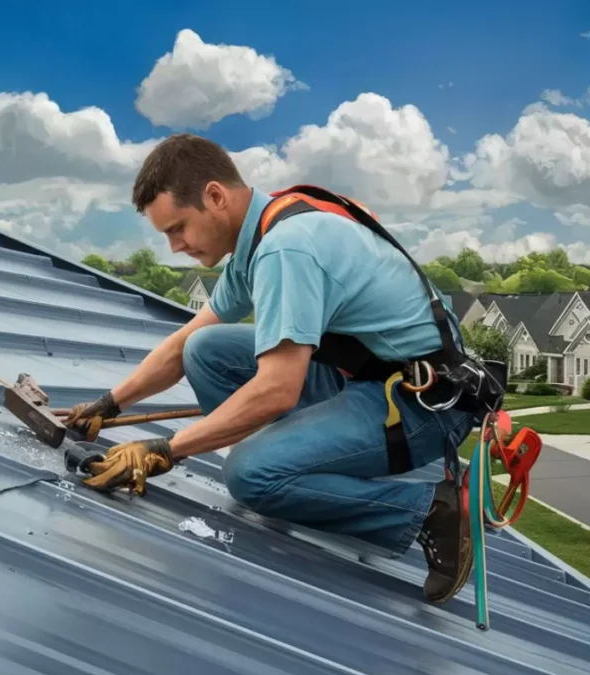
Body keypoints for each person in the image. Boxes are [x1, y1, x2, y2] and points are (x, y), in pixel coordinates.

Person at [65, 133, 481, 605]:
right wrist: (109, 403)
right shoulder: (261, 231)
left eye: (177, 228)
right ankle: (295, 465)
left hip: (420, 404)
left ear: (215, 197)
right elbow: (183, 344)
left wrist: (165, 450)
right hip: (364, 378)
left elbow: (277, 391)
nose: (174, 246)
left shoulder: (288, 248)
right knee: (205, 349)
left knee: (248, 476)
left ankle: (431, 513)